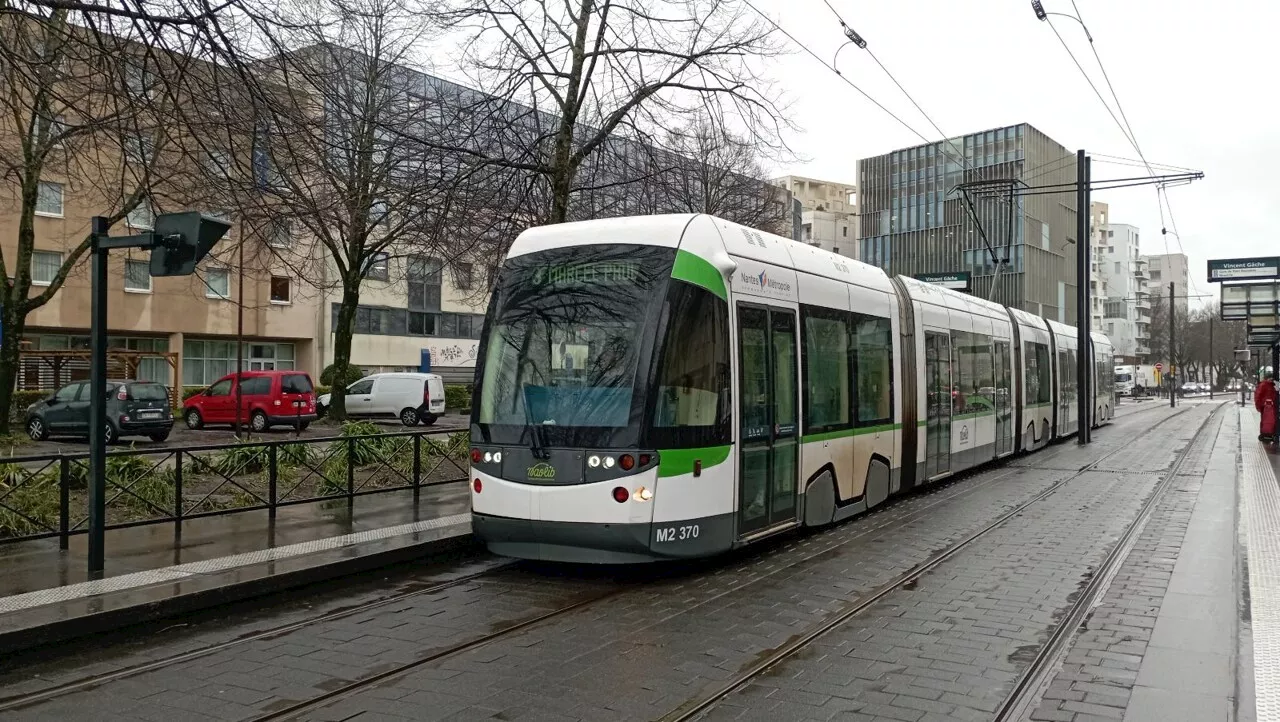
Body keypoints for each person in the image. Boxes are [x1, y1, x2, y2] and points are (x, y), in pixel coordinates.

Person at [1255, 373, 1278, 441]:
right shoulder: (1264, 385)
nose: (1271, 379)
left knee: (1269, 419)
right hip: (1265, 406)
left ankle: (1267, 432)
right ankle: (1266, 432)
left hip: (1269, 406)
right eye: (1270, 378)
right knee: (1266, 419)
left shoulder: (1271, 385)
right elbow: (1258, 396)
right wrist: (1258, 406)